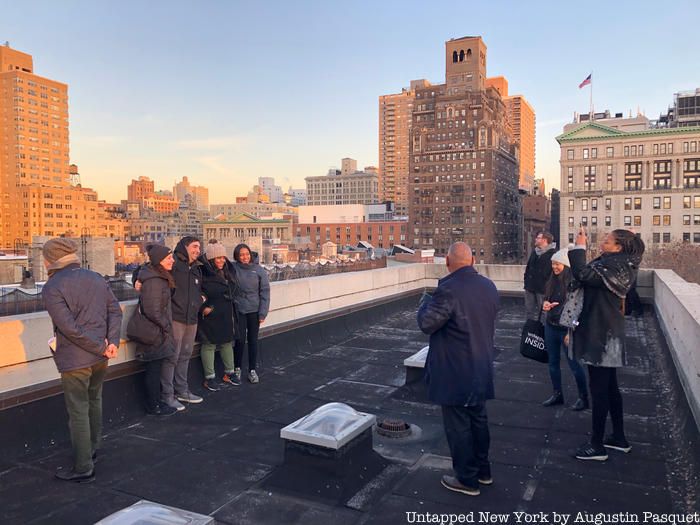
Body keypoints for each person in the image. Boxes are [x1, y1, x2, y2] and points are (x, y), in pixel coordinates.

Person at [417, 242, 499, 496]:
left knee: (459, 426)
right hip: (481, 364)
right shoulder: (489, 287)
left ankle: (466, 479)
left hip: (456, 369)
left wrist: (423, 305)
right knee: (478, 420)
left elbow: (428, 324)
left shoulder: (448, 290)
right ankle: (483, 472)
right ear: (473, 261)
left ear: (448, 262)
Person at [42, 238, 122, 482]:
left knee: (78, 409)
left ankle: (83, 466)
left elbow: (69, 328)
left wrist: (101, 346)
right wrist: (111, 344)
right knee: (94, 400)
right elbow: (115, 311)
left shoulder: (52, 286)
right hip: (101, 356)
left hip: (76, 359)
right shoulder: (96, 277)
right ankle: (92, 449)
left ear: (51, 260)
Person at [569, 228, 645, 461]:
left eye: (608, 240)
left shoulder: (617, 267)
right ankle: (619, 438)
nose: (603, 241)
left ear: (619, 247)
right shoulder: (617, 263)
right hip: (607, 331)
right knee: (610, 387)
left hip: (602, 334)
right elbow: (591, 273)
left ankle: (597, 445)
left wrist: (579, 247)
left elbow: (583, 273)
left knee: (599, 390)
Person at [541, 247, 588, 411]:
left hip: (566, 330)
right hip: (551, 326)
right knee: (552, 363)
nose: (554, 267)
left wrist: (571, 331)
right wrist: (545, 305)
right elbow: (546, 300)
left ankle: (584, 397)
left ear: (566, 265)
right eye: (553, 264)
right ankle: (557, 394)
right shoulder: (551, 281)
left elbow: (580, 310)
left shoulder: (574, 284)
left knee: (574, 365)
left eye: (558, 264)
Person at [133, 244, 178, 417]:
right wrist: (166, 326)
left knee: (156, 367)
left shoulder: (158, 277)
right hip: (154, 332)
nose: (172, 260)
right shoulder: (154, 280)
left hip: (157, 331)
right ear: (159, 261)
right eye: (169, 258)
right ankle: (153, 405)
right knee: (153, 369)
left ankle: (156, 402)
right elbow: (152, 310)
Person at [161, 236, 205, 410]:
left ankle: (182, 391)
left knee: (185, 355)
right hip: (176, 317)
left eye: (199, 247)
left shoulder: (197, 268)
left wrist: (202, 299)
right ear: (184, 247)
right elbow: (149, 269)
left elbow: (204, 287)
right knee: (172, 357)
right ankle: (167, 395)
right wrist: (137, 280)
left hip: (192, 318)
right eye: (194, 246)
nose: (197, 250)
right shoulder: (174, 263)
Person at [198, 240, 240, 391]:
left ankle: (229, 373)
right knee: (209, 344)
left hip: (226, 312)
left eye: (223, 257)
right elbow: (196, 292)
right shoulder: (202, 271)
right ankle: (209, 378)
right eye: (218, 258)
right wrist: (204, 307)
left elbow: (235, 287)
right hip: (211, 313)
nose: (222, 260)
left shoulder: (229, 270)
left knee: (227, 342)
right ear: (211, 259)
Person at [232, 243, 270, 384]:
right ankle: (237, 368)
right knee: (240, 340)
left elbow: (265, 292)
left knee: (253, 340)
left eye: (247, 254)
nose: (245, 257)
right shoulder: (233, 268)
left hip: (254, 311)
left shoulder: (259, 270)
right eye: (241, 255)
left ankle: (252, 370)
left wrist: (263, 313)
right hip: (239, 310)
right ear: (237, 256)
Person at [523, 231, 557, 321]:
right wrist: (526, 281)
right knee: (529, 311)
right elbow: (528, 268)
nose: (536, 239)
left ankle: (542, 332)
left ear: (544, 240)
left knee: (543, 313)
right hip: (530, 287)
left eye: (538, 238)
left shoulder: (553, 254)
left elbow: (554, 273)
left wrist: (548, 286)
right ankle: (529, 331)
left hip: (543, 289)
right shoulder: (534, 252)